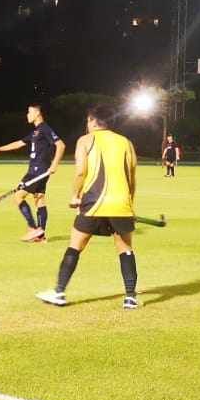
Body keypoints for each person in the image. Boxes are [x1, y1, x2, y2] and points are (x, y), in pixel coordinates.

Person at [37, 102, 141, 309]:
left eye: (88, 120)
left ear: (93, 121)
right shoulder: (125, 142)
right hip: (121, 204)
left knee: (75, 245)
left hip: (93, 203)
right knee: (125, 249)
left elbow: (81, 172)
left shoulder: (85, 140)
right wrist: (129, 204)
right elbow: (132, 177)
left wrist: (75, 195)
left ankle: (59, 292)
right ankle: (130, 297)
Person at [0, 104, 65, 242]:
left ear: (37, 113)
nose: (27, 115)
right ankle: (41, 236)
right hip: (36, 170)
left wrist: (54, 164)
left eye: (29, 112)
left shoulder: (45, 128)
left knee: (18, 196)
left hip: (38, 170)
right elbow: (19, 143)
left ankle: (34, 229)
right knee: (39, 198)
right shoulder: (36, 132)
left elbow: (61, 145)